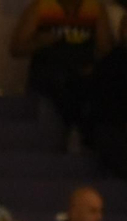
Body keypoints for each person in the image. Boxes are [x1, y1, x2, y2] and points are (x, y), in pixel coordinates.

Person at [10, 0, 116, 145]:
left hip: (82, 84)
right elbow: (16, 48)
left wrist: (95, 65)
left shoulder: (94, 9)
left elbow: (106, 49)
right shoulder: (41, 7)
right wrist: (39, 42)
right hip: (47, 82)